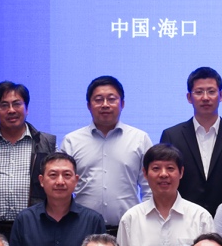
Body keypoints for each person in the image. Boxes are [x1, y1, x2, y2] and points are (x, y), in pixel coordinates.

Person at [116, 144, 215, 246]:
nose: (163, 174)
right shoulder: (131, 219)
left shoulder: (200, 218)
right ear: (145, 173)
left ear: (181, 172)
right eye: (156, 168)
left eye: (170, 168)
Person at [9, 153, 107, 246]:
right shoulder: (25, 220)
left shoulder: (93, 221)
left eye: (67, 175)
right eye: (53, 175)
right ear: (41, 180)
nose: (60, 181)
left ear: (76, 180)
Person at [61, 76, 153, 234]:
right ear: (88, 105)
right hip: (82, 229)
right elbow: (62, 187)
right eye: (98, 100)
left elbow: (149, 187)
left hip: (128, 230)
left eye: (111, 99)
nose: (105, 105)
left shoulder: (140, 139)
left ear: (122, 104)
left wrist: (146, 222)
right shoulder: (72, 141)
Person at [0, 81, 57, 237]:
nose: (11, 110)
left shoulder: (47, 144)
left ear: (27, 109)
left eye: (17, 104)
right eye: (4, 105)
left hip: (36, 228)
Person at [159, 67, 222, 215]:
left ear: (221, 95)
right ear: (189, 97)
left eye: (211, 91)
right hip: (182, 217)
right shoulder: (172, 136)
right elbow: (166, 180)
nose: (205, 97)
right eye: (199, 92)